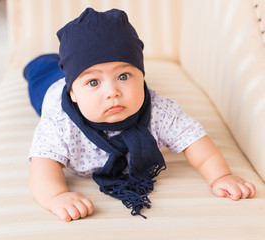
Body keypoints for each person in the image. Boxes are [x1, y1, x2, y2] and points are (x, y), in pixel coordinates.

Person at [24, 8, 256, 222]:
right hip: (51, 87)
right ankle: (43, 62)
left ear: (142, 76)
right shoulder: (60, 122)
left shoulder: (159, 111)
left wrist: (220, 176)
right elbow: (43, 165)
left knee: (95, 68)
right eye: (93, 82)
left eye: (124, 76)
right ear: (73, 91)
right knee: (42, 71)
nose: (112, 92)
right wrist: (56, 195)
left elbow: (196, 142)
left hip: (84, 79)